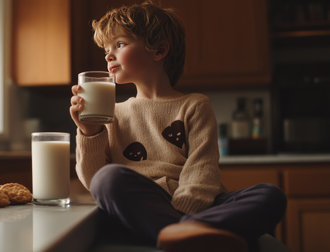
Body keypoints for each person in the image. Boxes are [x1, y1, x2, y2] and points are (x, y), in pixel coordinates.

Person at [69, 1, 287, 251]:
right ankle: (195, 234)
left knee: (269, 195)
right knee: (107, 178)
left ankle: (178, 231)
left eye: (119, 44)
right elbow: (92, 179)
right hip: (144, 204)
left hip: (196, 204)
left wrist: (182, 212)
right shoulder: (112, 113)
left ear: (159, 50)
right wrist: (89, 132)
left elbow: (202, 169)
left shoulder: (194, 105)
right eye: (106, 49)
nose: (108, 55)